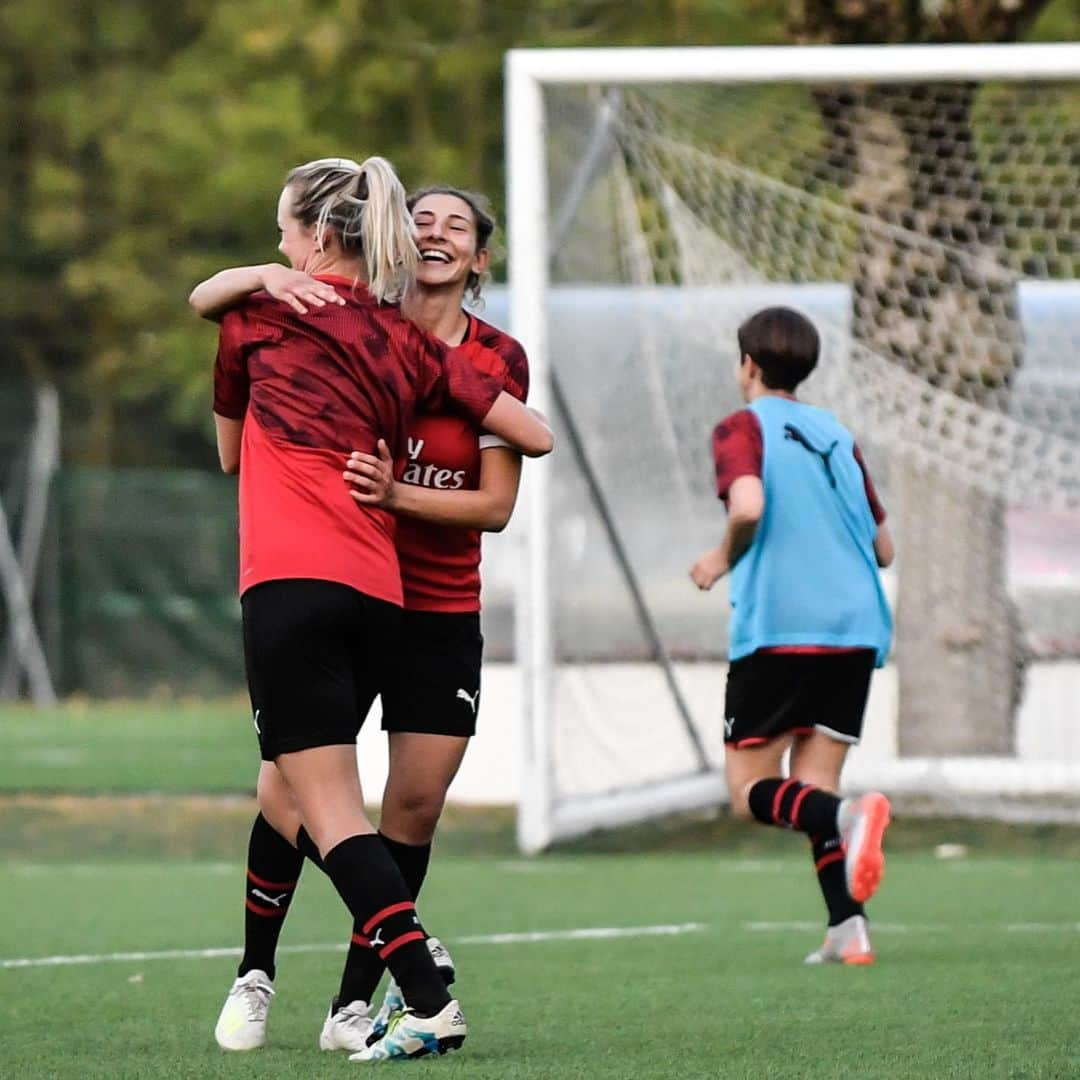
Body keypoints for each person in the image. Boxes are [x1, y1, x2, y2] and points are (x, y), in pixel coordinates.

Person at [199, 156, 552, 1063]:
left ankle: (406, 986)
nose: (433, 233)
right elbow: (536, 432)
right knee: (303, 800)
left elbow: (230, 447)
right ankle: (267, 972)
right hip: (372, 591)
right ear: (387, 234)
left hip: (339, 591)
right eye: (419, 218)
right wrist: (267, 275)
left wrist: (395, 494)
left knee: (359, 811)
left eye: (456, 227)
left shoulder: (282, 320)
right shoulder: (395, 338)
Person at [689, 306, 894, 967]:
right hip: (856, 627)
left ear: (746, 364)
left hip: (782, 626)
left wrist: (720, 558)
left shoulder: (741, 426)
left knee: (751, 793)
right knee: (814, 790)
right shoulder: (836, 434)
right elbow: (883, 546)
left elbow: (748, 505)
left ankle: (850, 819)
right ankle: (847, 929)